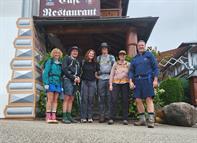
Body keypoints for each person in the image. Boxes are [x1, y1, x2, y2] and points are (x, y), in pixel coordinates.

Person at [129, 40, 159, 128]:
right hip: (137, 81)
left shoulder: (149, 55)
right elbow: (131, 71)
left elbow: (155, 68)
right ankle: (142, 119)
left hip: (148, 79)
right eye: (139, 45)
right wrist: (130, 81)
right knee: (137, 100)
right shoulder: (134, 58)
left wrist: (155, 80)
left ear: (145, 46)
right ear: (137, 47)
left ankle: (150, 120)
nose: (141, 47)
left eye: (142, 45)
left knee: (148, 99)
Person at [108, 50, 130, 125]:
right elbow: (111, 74)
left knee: (125, 100)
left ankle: (125, 119)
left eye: (123, 55)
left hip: (125, 83)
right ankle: (111, 118)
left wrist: (131, 82)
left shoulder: (128, 64)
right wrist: (110, 84)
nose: (122, 56)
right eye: (121, 55)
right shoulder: (115, 64)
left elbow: (130, 74)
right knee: (114, 100)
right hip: (116, 83)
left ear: (125, 56)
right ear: (119, 56)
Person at [96, 42, 115, 123]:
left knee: (109, 98)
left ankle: (109, 116)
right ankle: (102, 116)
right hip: (101, 79)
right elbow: (95, 69)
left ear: (107, 49)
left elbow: (115, 68)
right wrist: (96, 75)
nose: (104, 50)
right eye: (103, 48)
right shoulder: (98, 58)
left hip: (109, 79)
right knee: (101, 98)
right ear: (101, 50)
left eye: (105, 48)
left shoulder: (111, 57)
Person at [42, 48, 63, 123]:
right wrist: (46, 83)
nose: (56, 54)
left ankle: (53, 115)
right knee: (50, 99)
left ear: (60, 54)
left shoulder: (60, 63)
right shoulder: (49, 62)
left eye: (58, 53)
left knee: (55, 100)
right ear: (53, 54)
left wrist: (61, 85)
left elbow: (61, 76)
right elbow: (45, 73)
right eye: (55, 53)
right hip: (50, 81)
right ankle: (48, 115)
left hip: (58, 83)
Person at [62, 46, 81, 124]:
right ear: (70, 52)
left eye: (76, 51)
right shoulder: (67, 58)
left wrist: (78, 78)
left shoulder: (77, 62)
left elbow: (79, 72)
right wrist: (73, 77)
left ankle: (69, 116)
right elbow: (64, 69)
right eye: (73, 51)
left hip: (75, 81)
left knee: (71, 99)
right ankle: (64, 116)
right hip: (68, 80)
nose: (75, 52)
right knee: (67, 98)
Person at [80, 49, 100, 123]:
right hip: (84, 82)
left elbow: (97, 73)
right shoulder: (83, 62)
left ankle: (90, 117)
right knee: (84, 99)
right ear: (87, 54)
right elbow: (80, 71)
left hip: (92, 82)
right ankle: (83, 117)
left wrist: (99, 77)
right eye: (90, 53)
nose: (91, 55)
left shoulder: (95, 63)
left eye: (93, 54)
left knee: (91, 100)